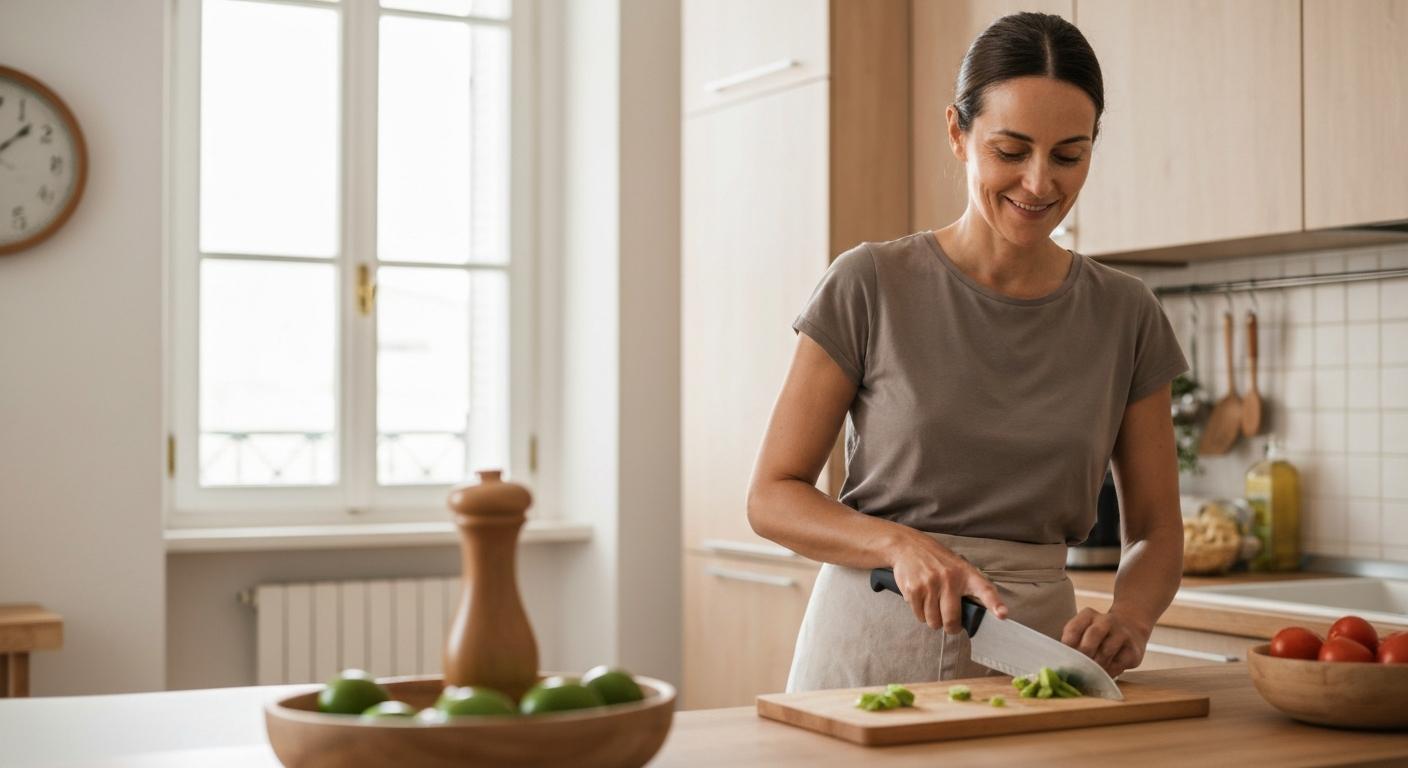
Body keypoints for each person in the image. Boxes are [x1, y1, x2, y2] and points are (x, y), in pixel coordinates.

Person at [746, 12, 1189, 691]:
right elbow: (772, 496)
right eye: (1011, 151)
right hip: (870, 643)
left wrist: (1132, 616)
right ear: (957, 132)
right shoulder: (870, 283)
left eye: (1068, 155)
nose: (1040, 183)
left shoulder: (1125, 314)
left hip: (1037, 654)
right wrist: (897, 544)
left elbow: (1157, 530)